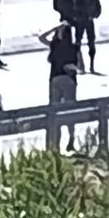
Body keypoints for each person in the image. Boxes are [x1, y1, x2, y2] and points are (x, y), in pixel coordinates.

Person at [38, 22, 81, 152]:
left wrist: (54, 29)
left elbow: (81, 67)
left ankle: (63, 141)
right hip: (61, 80)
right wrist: (53, 29)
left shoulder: (65, 47)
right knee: (63, 111)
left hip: (61, 79)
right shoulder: (63, 46)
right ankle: (61, 142)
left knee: (61, 111)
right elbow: (41, 38)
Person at [77, 0, 102, 73]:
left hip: (89, 22)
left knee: (91, 43)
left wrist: (93, 16)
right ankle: (80, 64)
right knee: (77, 43)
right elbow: (75, 10)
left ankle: (92, 65)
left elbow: (98, 10)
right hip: (80, 23)